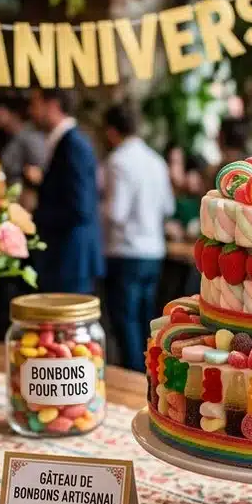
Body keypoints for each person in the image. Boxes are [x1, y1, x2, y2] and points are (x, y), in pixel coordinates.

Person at [100, 105, 174, 373]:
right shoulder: (156, 160)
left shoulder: (117, 161)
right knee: (147, 321)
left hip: (126, 251)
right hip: (154, 251)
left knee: (126, 322)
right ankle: (152, 375)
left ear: (111, 131)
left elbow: (117, 213)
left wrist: (96, 206)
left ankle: (134, 377)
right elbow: (168, 207)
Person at [28, 88, 103, 295]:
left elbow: (80, 208)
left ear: (52, 105)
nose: (31, 111)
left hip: (70, 261)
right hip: (67, 260)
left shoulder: (72, 145)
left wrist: (33, 216)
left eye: (35, 104)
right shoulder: (67, 143)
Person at [0, 97, 47, 200]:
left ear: (13, 113)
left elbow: (40, 170)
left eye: (1, 109)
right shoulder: (6, 137)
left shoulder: (30, 136)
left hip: (24, 197)